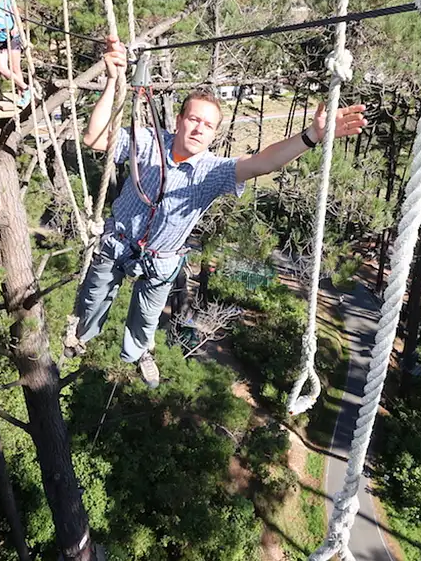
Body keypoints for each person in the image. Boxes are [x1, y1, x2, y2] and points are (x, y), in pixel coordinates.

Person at [63, 36, 366, 387]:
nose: (198, 128)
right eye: (193, 119)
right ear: (179, 121)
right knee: (92, 300)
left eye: (207, 125)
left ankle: (139, 351)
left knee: (145, 319)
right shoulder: (149, 143)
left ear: (214, 134)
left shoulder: (212, 171)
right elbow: (95, 138)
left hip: (160, 258)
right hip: (119, 241)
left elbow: (263, 162)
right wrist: (114, 80)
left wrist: (311, 136)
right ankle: (81, 335)